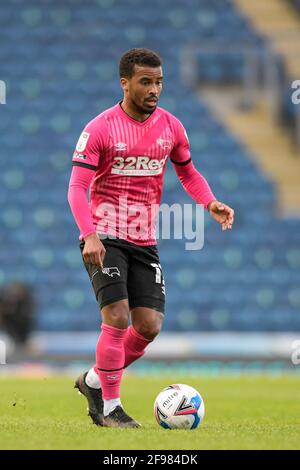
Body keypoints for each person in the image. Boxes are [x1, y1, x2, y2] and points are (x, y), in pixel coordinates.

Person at [67, 48, 234, 428]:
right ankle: (109, 408)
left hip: (144, 239)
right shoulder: (100, 128)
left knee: (148, 326)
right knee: (118, 317)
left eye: (158, 81)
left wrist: (209, 202)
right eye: (145, 81)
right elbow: (76, 188)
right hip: (105, 236)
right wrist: (89, 234)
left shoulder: (171, 127)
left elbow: (188, 172)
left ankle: (94, 380)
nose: (154, 89)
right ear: (124, 83)